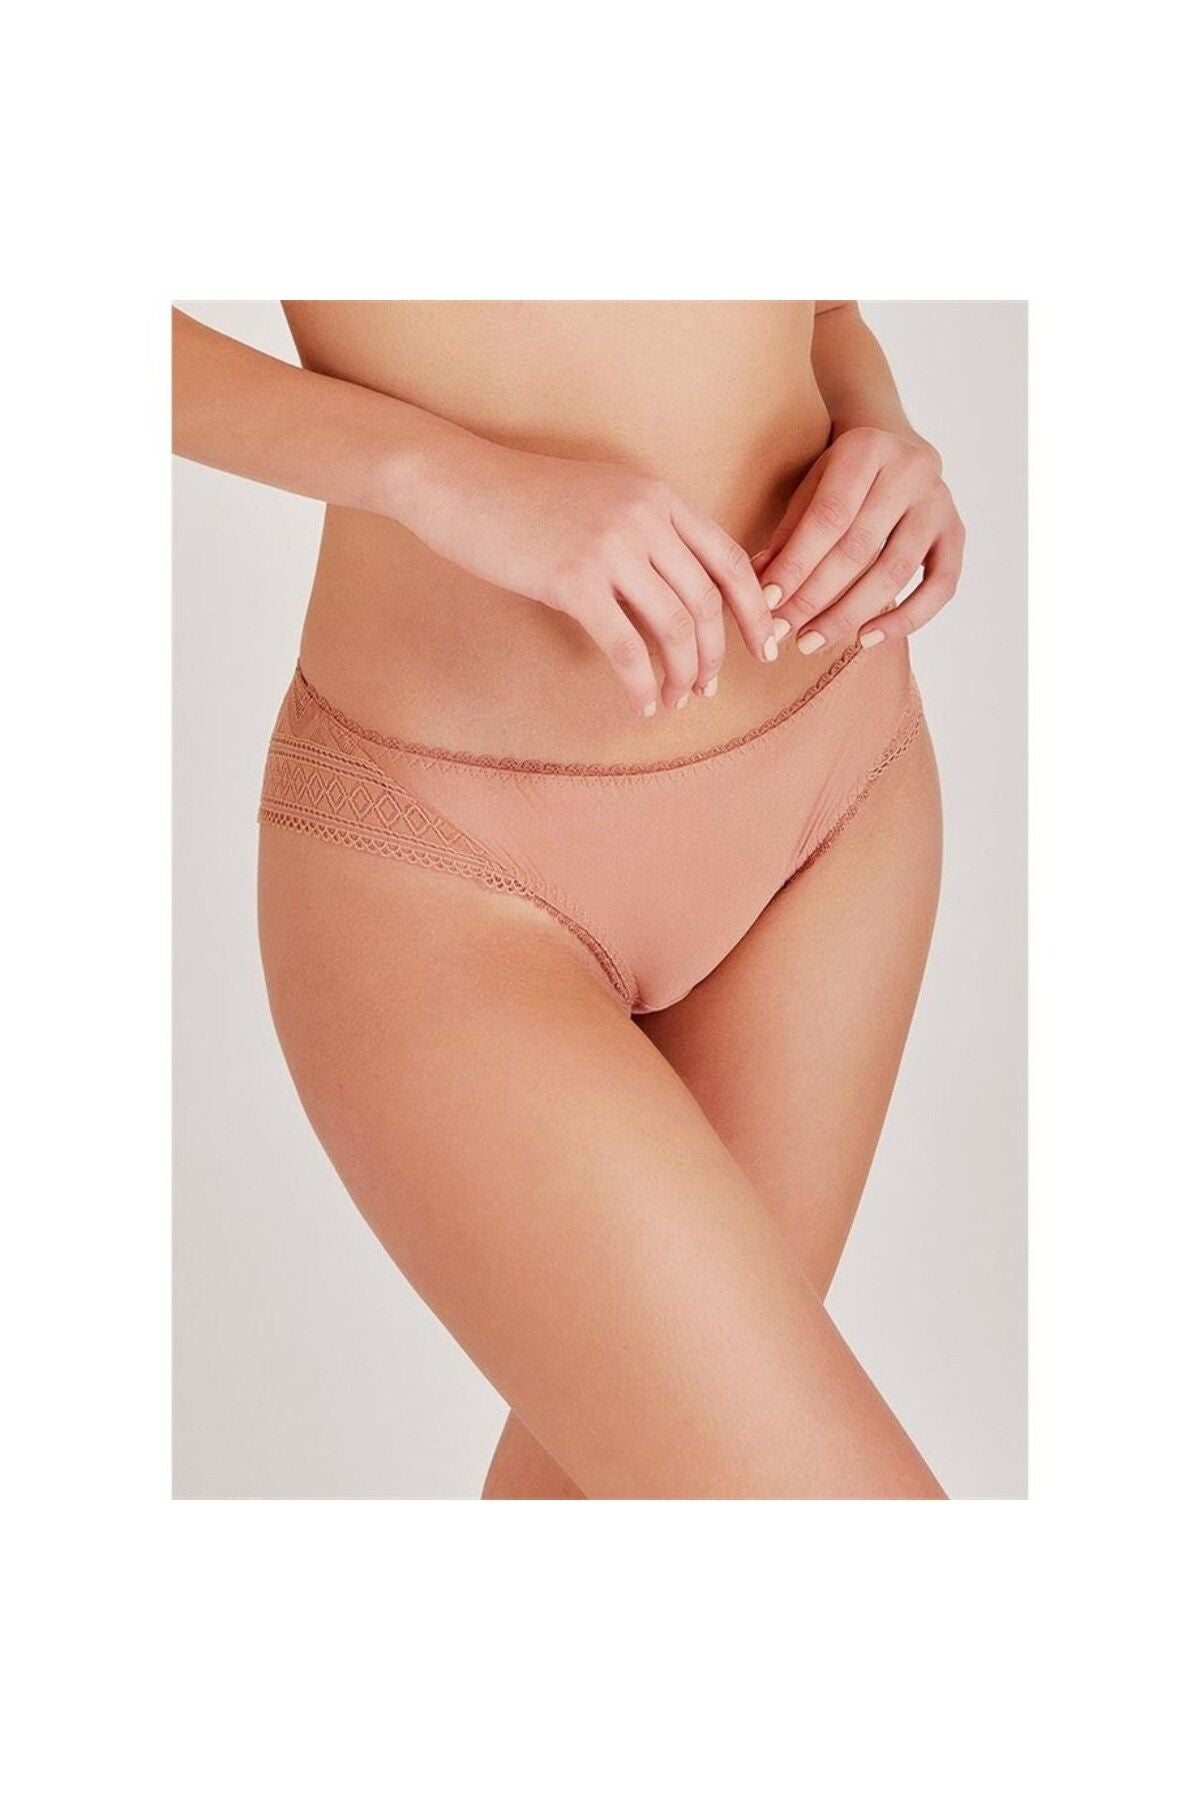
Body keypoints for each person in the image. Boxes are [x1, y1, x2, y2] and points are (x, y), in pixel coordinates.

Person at [173, 300, 966, 1498]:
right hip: (449, 863)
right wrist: (439, 476)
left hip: (836, 783)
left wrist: (877, 423)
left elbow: (820, 307)